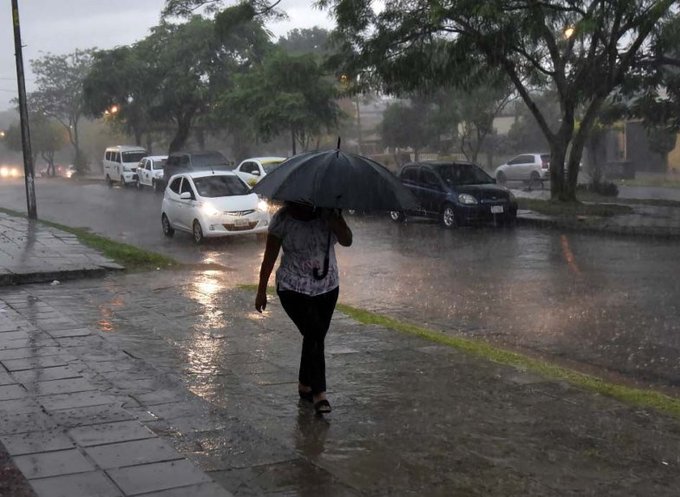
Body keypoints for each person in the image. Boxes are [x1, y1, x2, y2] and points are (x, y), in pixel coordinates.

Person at [255, 201, 353, 414]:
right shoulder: (282, 220)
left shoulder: (327, 214)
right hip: (293, 288)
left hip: (327, 287)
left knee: (314, 337)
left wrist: (335, 219)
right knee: (314, 331)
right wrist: (261, 290)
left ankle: (304, 384)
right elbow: (269, 257)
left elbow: (347, 240)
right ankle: (319, 394)